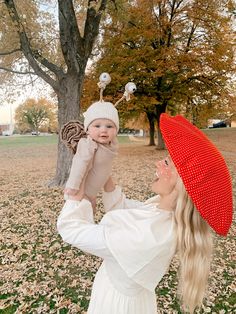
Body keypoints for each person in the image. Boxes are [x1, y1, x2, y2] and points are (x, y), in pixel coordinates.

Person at [57, 113, 233, 314]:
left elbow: (71, 229)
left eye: (167, 163)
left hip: (117, 306)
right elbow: (120, 207)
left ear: (182, 186)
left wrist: (76, 186)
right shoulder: (162, 212)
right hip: (117, 293)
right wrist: (101, 170)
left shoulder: (152, 236)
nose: (158, 164)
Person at [62, 73, 136, 207]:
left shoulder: (111, 145)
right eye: (97, 126)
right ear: (88, 129)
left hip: (92, 194)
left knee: (91, 216)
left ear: (116, 129)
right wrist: (73, 186)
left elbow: (104, 167)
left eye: (109, 126)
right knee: (82, 217)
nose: (104, 130)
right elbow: (79, 163)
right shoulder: (88, 144)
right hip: (80, 193)